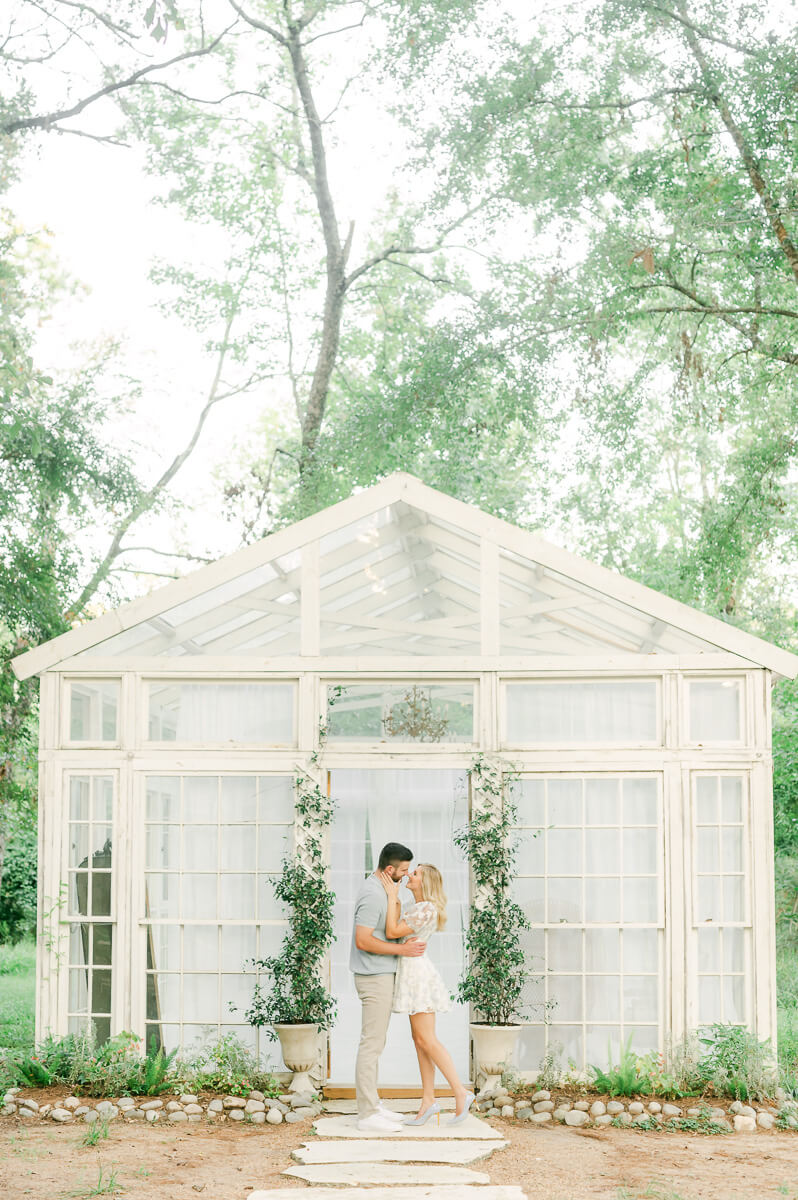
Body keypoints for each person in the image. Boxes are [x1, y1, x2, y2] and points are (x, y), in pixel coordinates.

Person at [378, 861, 475, 1126]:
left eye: (416, 873)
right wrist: (396, 902)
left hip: (417, 975)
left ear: (426, 882)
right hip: (411, 973)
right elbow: (396, 932)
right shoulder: (416, 907)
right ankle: (428, 1100)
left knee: (427, 1039)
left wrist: (391, 896)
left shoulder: (426, 908)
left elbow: (391, 932)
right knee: (420, 1040)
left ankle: (460, 1092)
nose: (410, 874)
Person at [350, 841, 426, 1133]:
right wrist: (401, 951)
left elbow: (386, 931)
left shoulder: (385, 889)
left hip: (381, 973)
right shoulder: (372, 893)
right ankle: (367, 1114)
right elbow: (363, 940)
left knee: (376, 1043)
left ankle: (373, 1105)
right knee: (371, 1044)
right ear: (390, 869)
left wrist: (399, 943)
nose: (407, 875)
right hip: (373, 976)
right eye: (404, 870)